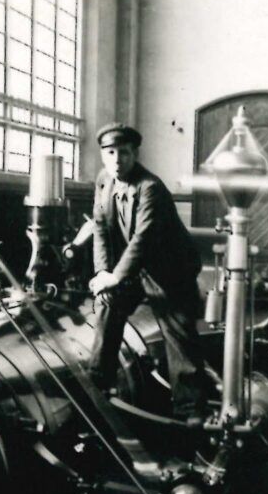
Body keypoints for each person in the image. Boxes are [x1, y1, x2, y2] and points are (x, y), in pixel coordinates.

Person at [87, 122, 212, 422]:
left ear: (135, 154)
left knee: (179, 340)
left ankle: (190, 413)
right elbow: (101, 231)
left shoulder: (151, 188)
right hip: (132, 270)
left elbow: (143, 239)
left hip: (169, 271)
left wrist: (115, 276)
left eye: (124, 153)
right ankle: (97, 388)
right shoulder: (104, 181)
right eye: (111, 153)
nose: (117, 160)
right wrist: (104, 274)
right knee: (107, 304)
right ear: (103, 155)